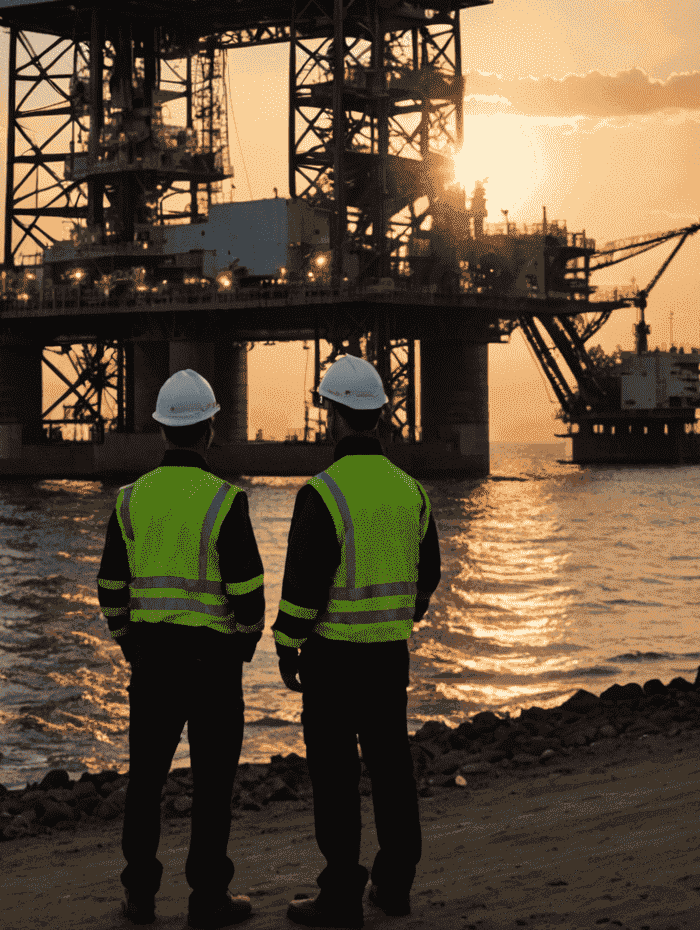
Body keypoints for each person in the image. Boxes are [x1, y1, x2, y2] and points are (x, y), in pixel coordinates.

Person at [274, 355, 443, 928]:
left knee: (336, 776)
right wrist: (404, 614)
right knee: (393, 768)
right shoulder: (411, 492)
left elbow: (303, 585)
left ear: (335, 418)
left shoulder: (321, 494)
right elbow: (430, 572)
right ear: (378, 416)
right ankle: (395, 886)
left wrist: (286, 645)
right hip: (388, 655)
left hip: (332, 658)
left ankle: (341, 895)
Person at [96, 368, 265, 929]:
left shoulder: (129, 500)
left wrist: (129, 644)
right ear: (211, 429)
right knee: (213, 786)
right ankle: (208, 899)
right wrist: (242, 647)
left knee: (145, 780)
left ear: (161, 430)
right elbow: (247, 592)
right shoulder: (225, 501)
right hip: (213, 663)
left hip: (152, 660)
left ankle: (139, 896)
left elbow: (110, 588)